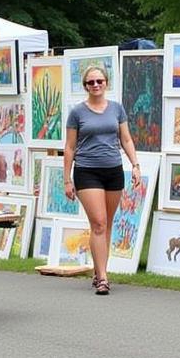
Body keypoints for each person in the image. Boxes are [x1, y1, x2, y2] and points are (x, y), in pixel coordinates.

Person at [63, 65, 141, 296]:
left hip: (113, 170)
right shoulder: (77, 112)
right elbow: (69, 147)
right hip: (87, 171)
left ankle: (99, 270)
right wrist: (67, 179)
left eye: (99, 81)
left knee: (106, 224)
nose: (95, 85)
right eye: (90, 82)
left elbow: (126, 139)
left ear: (106, 83)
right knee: (98, 222)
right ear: (85, 86)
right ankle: (103, 279)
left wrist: (135, 165)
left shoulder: (116, 109)